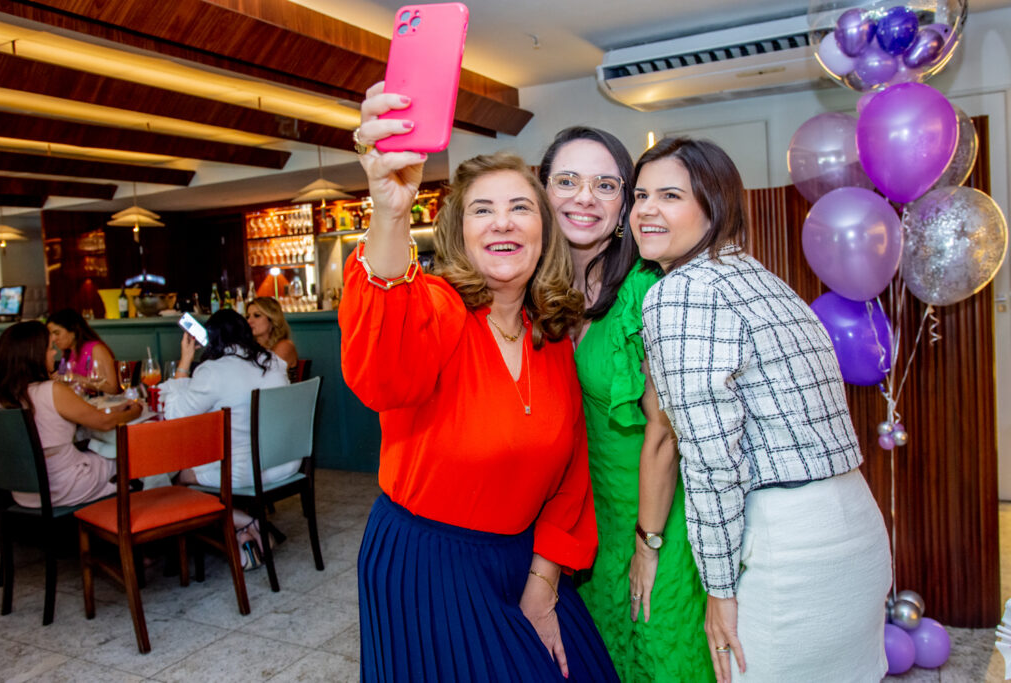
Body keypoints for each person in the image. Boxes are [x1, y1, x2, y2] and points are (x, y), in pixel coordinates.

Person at [340, 83, 618, 682]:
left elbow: (571, 476)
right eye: (482, 210)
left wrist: (543, 580)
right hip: (426, 566)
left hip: (524, 559)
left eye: (520, 207)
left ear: (544, 231)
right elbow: (381, 372)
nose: (503, 222)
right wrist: (389, 211)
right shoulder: (439, 309)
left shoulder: (550, 336)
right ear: (458, 233)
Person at [634, 136, 891, 682]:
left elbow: (712, 459)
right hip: (855, 525)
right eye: (640, 195)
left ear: (714, 205)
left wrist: (719, 589)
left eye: (670, 195)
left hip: (789, 546)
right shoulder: (761, 277)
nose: (646, 210)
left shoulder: (682, 292)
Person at [539, 127, 712, 682]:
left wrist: (648, 543)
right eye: (567, 181)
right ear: (543, 192)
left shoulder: (646, 289)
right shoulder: (535, 290)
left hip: (654, 516)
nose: (584, 197)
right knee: (605, 659)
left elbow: (665, 431)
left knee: (663, 654)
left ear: (623, 207)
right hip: (586, 522)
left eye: (606, 185)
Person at [162, 308, 292, 568]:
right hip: (285, 464)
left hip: (245, 472)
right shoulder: (274, 361)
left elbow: (174, 416)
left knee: (175, 477)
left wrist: (185, 361)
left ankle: (244, 522)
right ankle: (245, 533)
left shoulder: (213, 371)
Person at [0, 321, 142, 508]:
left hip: (23, 493)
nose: (55, 353)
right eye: (49, 348)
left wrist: (114, 410)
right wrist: (135, 412)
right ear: (33, 355)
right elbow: (104, 423)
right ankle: (143, 514)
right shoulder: (51, 390)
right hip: (65, 487)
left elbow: (82, 415)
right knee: (134, 459)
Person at [47, 308, 120, 394]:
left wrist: (77, 378)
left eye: (57, 333)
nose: (53, 339)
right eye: (51, 334)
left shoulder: (96, 349)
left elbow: (112, 389)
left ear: (73, 331)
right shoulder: (67, 354)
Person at [246, 297, 300, 381]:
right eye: (247, 316)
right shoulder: (249, 347)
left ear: (272, 319)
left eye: (257, 315)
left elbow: (267, 377)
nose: (249, 321)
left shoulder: (285, 346)